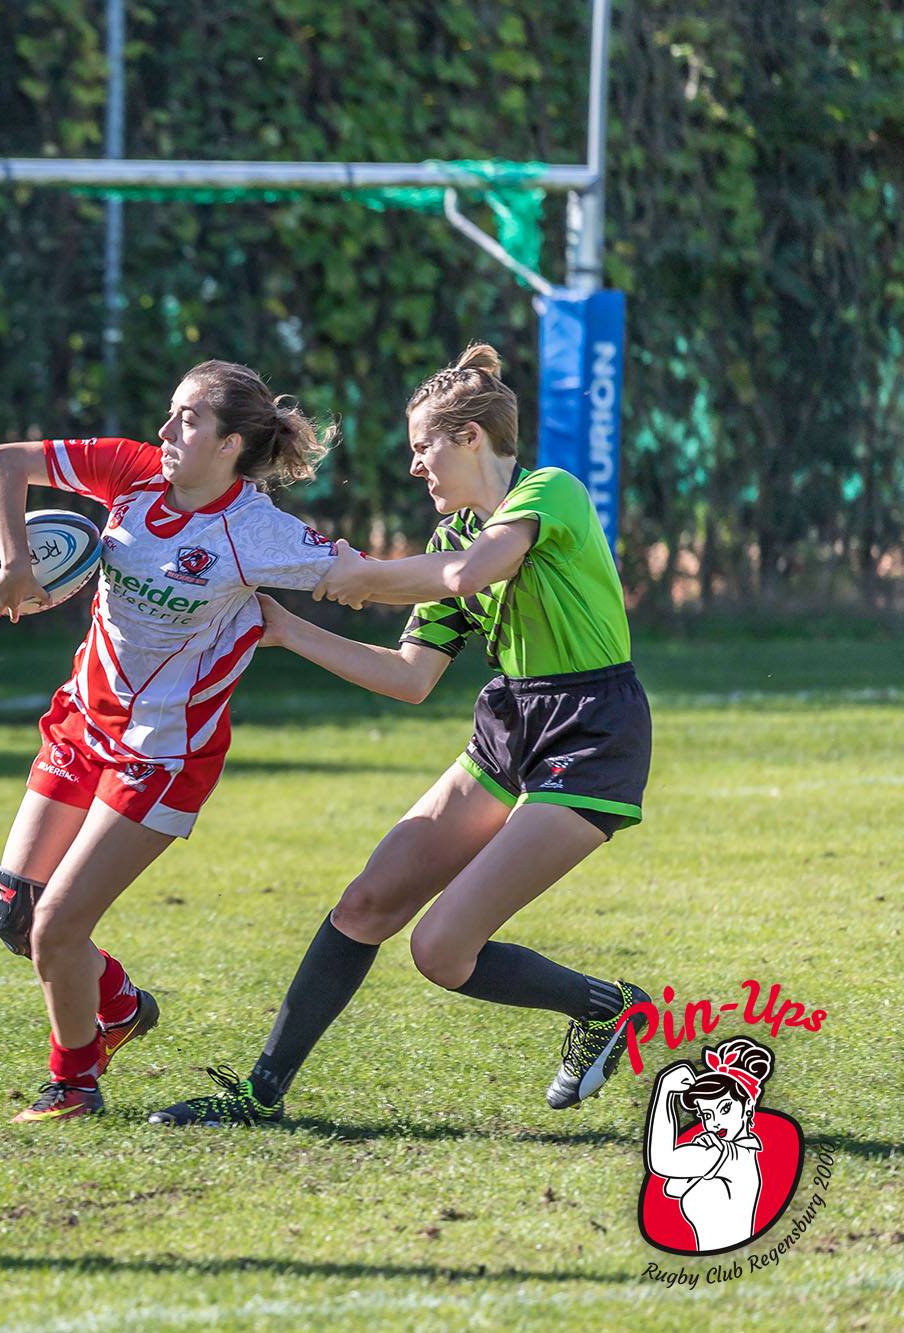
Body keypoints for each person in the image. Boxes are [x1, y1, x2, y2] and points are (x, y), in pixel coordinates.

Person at [150, 343, 651, 1128]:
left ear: (471, 438)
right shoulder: (452, 539)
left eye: (423, 447)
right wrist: (289, 629)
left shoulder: (548, 493)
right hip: (511, 722)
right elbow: (411, 676)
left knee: (441, 950)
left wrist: (366, 574)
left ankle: (609, 1007)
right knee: (366, 902)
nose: (417, 466)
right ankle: (259, 1095)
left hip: (591, 732)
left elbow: (466, 577)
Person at [0, 360, 341, 1122]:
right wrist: (16, 565)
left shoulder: (258, 531)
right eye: (169, 413)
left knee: (58, 926)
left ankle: (73, 1084)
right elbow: (2, 462)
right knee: (16, 915)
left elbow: (371, 576)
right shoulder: (134, 472)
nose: (166, 431)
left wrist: (474, 565)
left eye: (187, 420)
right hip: (82, 722)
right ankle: (123, 1007)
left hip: (163, 754)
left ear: (231, 443)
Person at [647, 1038, 773, 1252]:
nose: (715, 1122)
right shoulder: (725, 1153)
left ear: (748, 1106)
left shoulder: (732, 1155)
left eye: (725, 1109)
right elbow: (671, 1187)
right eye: (707, 1114)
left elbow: (661, 1161)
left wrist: (665, 1091)